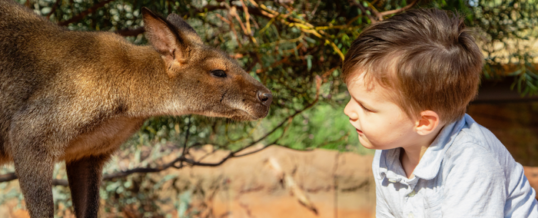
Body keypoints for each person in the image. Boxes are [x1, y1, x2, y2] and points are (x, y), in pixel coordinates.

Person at [342, 8, 538, 217]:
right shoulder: (389, 153)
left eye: (367, 108)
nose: (348, 110)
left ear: (424, 122)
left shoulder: (471, 161)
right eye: (351, 98)